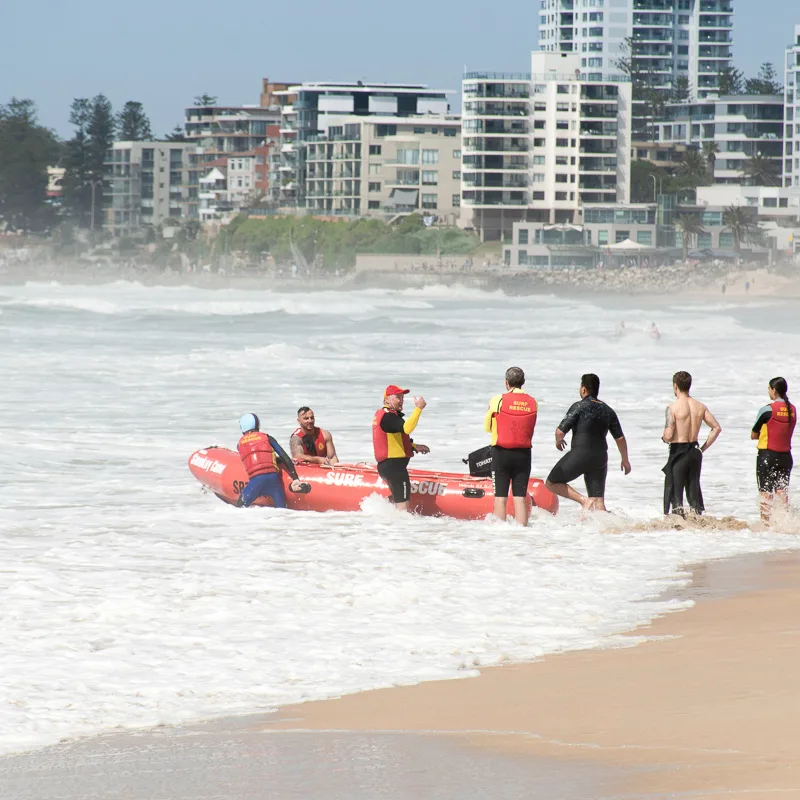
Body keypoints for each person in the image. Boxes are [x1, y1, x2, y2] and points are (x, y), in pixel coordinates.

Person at [546, 374, 631, 512]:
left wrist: (558, 441)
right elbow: (620, 438)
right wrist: (625, 460)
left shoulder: (579, 406)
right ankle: (607, 529)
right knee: (599, 500)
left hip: (580, 454)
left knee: (551, 482)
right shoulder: (608, 410)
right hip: (600, 458)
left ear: (584, 389)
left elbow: (560, 431)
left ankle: (584, 501)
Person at [661, 371, 722, 517]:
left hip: (678, 451)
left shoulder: (672, 408)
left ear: (675, 386)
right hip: (695, 451)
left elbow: (669, 435)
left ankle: (678, 525)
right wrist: (702, 449)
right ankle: (697, 524)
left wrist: (664, 438)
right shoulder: (700, 407)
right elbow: (716, 428)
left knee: (676, 493)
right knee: (693, 489)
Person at [484, 366, 538, 525]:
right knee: (520, 497)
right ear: (523, 382)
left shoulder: (497, 400)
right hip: (524, 455)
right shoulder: (532, 401)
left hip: (501, 454)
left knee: (500, 498)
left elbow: (487, 427)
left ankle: (501, 537)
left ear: (506, 383)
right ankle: (522, 534)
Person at [372, 385, 430, 512]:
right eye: (397, 397)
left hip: (388, 467)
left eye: (402, 397)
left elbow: (395, 440)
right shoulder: (388, 417)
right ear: (387, 400)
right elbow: (407, 429)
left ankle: (375, 511)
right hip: (395, 468)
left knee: (396, 499)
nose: (401, 400)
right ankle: (401, 530)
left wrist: (414, 446)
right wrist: (418, 409)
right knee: (403, 507)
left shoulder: (389, 416)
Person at [236, 413, 306, 508]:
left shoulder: (240, 444)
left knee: (239, 508)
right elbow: (284, 457)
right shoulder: (267, 437)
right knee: (283, 512)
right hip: (274, 480)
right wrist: (295, 478)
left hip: (256, 482)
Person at [751, 377, 796, 522]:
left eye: (769, 389)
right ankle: (785, 524)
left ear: (774, 390)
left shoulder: (767, 410)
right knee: (782, 493)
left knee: (766, 493)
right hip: (786, 457)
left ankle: (766, 527)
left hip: (767, 456)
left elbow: (753, 434)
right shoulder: (793, 410)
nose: (768, 392)